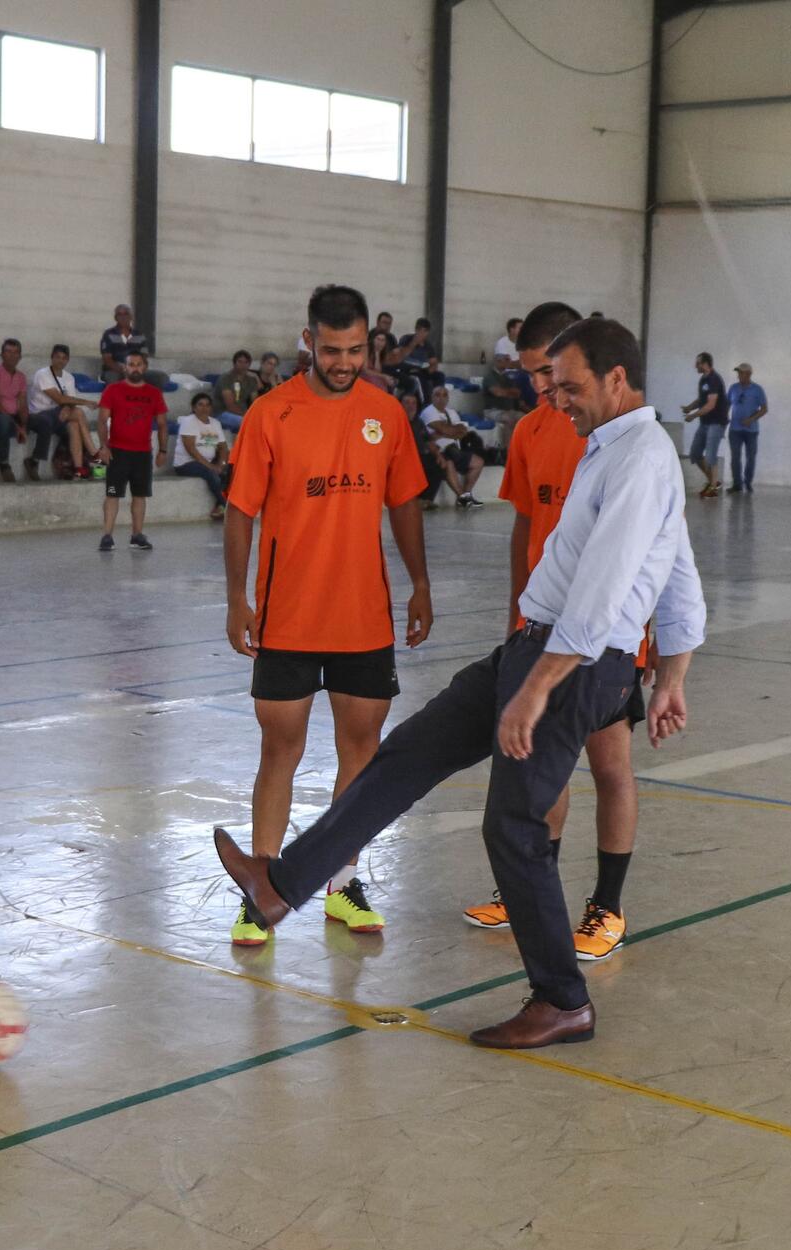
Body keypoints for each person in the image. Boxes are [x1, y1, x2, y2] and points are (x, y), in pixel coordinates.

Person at [214, 315, 705, 1048]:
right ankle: (281, 885)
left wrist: (538, 688)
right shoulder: (612, 448)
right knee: (408, 753)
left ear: (616, 379)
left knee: (513, 825)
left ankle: (562, 998)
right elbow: (681, 573)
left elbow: (603, 596)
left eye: (569, 385)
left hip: (568, 666)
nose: (556, 398)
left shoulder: (639, 458)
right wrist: (673, 676)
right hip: (533, 647)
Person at [218, 284, 433, 948]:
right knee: (279, 747)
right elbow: (239, 511)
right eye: (332, 349)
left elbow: (403, 502)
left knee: (361, 751)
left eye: (356, 349)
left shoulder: (386, 412)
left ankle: (342, 881)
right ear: (308, 340)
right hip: (286, 615)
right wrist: (236, 598)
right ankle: (259, 889)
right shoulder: (270, 413)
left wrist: (420, 581)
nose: (344, 362)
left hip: (363, 615)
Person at [462, 301, 647, 961]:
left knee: (608, 765)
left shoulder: (617, 438)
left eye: (549, 372)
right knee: (540, 766)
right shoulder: (531, 432)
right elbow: (523, 524)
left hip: (607, 638)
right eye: (530, 374)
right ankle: (527, 891)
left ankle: (608, 906)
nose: (540, 387)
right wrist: (517, 613)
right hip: (539, 631)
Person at [97, 350, 166, 550]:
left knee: (140, 495)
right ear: (125, 367)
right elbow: (102, 421)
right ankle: (107, 536)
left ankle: (137, 535)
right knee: (112, 494)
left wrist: (163, 450)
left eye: (138, 364)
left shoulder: (154, 393)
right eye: (131, 364)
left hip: (142, 453)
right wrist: (104, 446)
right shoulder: (113, 390)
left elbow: (162, 424)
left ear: (144, 367)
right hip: (118, 451)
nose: (135, 367)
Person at [418, 383, 488, 509]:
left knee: (478, 462)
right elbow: (449, 430)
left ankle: (466, 495)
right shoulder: (428, 412)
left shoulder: (452, 412)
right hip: (438, 451)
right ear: (432, 397)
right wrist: (450, 431)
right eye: (437, 395)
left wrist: (443, 432)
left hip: (455, 449)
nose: (441, 398)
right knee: (449, 463)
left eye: (444, 395)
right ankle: (463, 498)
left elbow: (462, 433)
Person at [29, 343, 94, 477]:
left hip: (58, 415)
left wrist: (66, 407)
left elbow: (69, 401)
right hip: (39, 415)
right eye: (57, 357)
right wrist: (85, 402)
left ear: (68, 360)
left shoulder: (69, 377)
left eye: (64, 358)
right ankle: (93, 452)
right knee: (80, 412)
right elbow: (59, 398)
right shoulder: (42, 374)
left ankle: (78, 468)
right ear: (52, 357)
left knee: (74, 424)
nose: (60, 360)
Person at [173, 391, 229, 519]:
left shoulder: (215, 423)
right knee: (211, 473)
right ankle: (227, 505)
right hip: (186, 463)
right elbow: (191, 450)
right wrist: (211, 466)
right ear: (193, 408)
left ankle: (220, 506)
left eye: (207, 405)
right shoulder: (188, 422)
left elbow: (223, 447)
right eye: (200, 405)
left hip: (208, 462)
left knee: (230, 471)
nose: (204, 408)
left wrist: (221, 464)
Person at [0, 337, 30, 481]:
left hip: (13, 417)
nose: (12, 355)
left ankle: (34, 461)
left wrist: (24, 425)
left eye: (16, 352)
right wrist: (18, 427)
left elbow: (22, 404)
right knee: (3, 420)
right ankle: (4, 464)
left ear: (20, 356)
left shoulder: (21, 377)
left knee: (42, 420)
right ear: (2, 354)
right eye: (8, 351)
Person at [680, 351, 727, 498]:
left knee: (711, 455)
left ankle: (712, 488)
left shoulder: (714, 379)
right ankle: (713, 481)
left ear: (705, 364)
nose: (695, 366)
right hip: (705, 423)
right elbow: (702, 400)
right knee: (695, 453)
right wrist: (689, 407)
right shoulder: (703, 380)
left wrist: (693, 416)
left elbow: (711, 405)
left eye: (698, 363)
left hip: (716, 423)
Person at [726, 362, 767, 493]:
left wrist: (751, 419)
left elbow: (764, 409)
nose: (739, 375)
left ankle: (748, 482)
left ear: (749, 374)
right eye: (738, 373)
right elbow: (727, 404)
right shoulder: (733, 388)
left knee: (751, 457)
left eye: (741, 373)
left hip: (751, 430)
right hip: (735, 429)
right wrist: (724, 418)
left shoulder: (757, 389)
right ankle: (737, 484)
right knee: (735, 457)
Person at [98, 304, 152, 382]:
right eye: (119, 314)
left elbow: (144, 358)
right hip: (114, 371)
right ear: (115, 318)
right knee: (113, 379)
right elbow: (107, 359)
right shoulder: (108, 334)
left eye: (126, 314)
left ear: (131, 317)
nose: (123, 317)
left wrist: (136, 370)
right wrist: (124, 370)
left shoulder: (139, 335)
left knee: (159, 377)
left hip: (136, 369)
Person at [215, 349, 260, 428]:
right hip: (222, 412)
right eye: (240, 362)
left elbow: (255, 402)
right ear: (234, 363)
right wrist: (249, 416)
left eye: (246, 362)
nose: (243, 365)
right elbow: (230, 405)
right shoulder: (226, 378)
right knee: (250, 424)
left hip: (243, 414)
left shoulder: (251, 380)